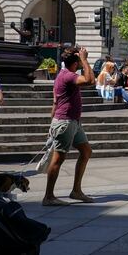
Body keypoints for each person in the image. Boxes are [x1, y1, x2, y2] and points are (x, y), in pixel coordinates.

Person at [43, 46, 96, 206]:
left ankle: (76, 191)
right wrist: (85, 60)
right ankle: (48, 196)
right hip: (65, 122)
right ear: (76, 62)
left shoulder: (64, 74)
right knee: (58, 159)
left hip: (72, 121)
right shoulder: (68, 76)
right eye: (79, 61)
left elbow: (55, 100)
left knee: (86, 151)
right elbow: (89, 81)